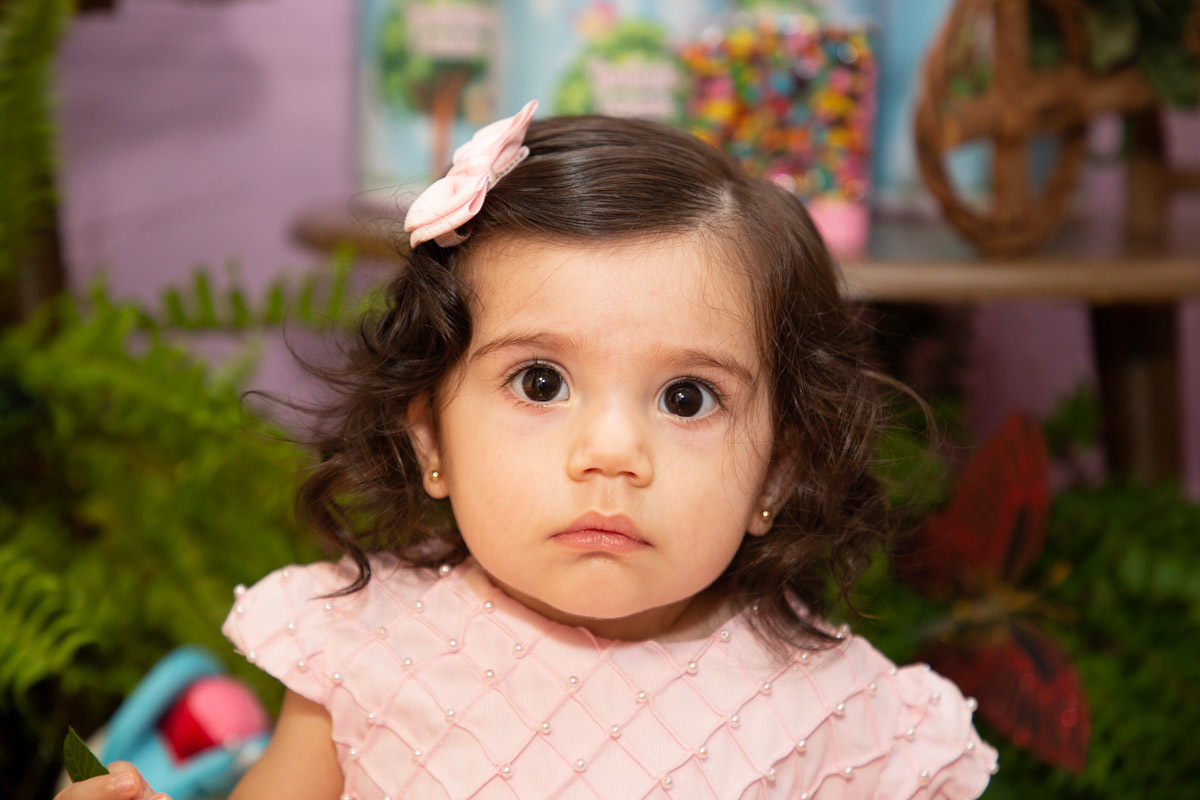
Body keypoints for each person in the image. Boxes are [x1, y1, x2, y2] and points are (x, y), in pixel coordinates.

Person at [59, 100, 996, 800]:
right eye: (541, 383)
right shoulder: (367, 653)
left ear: (778, 471)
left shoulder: (838, 717)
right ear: (430, 437)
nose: (612, 453)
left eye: (686, 397)